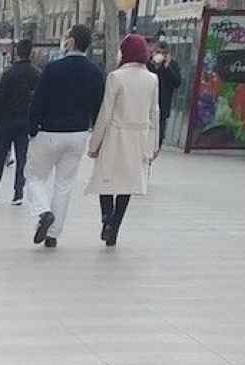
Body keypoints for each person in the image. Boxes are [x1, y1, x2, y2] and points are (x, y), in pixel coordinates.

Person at [24, 24, 105, 248]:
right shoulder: (96, 73)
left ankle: (43, 212)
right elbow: (99, 108)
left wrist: (32, 129)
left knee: (34, 177)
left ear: (70, 42)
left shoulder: (53, 69)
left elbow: (37, 101)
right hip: (78, 133)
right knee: (64, 184)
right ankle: (53, 234)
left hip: (49, 132)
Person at [87, 34, 160, 247]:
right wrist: (153, 145)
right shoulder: (152, 79)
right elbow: (154, 112)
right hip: (139, 136)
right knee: (128, 182)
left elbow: (105, 112)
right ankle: (115, 225)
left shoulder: (116, 77)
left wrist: (94, 144)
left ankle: (106, 218)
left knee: (106, 178)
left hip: (115, 135)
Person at [0, 40, 40, 203]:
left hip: (6, 121)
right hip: (25, 122)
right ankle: (18, 193)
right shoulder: (36, 73)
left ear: (17, 52)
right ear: (31, 52)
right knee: (22, 158)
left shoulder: (9, 73)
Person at [148, 34, 183, 150]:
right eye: (158, 52)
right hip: (147, 103)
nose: (160, 55)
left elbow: (177, 82)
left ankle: (156, 147)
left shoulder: (172, 65)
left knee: (160, 132)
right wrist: (152, 64)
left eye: (164, 53)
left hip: (163, 104)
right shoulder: (149, 64)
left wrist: (167, 66)